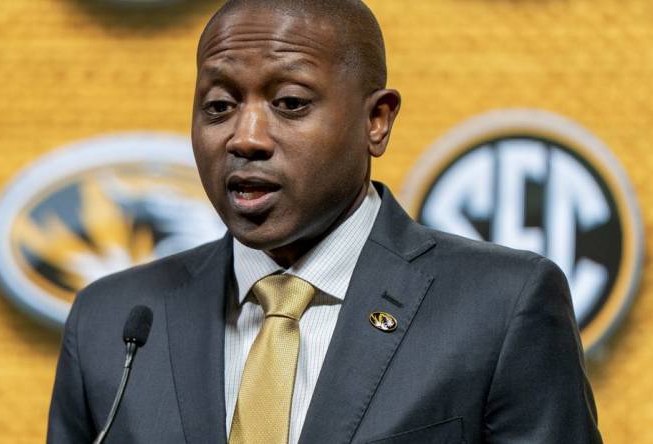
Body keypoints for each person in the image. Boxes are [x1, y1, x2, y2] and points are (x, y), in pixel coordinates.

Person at [47, 1, 602, 443]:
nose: (246, 137)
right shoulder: (112, 324)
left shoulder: (500, 308)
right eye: (219, 105)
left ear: (376, 121)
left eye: (289, 102)